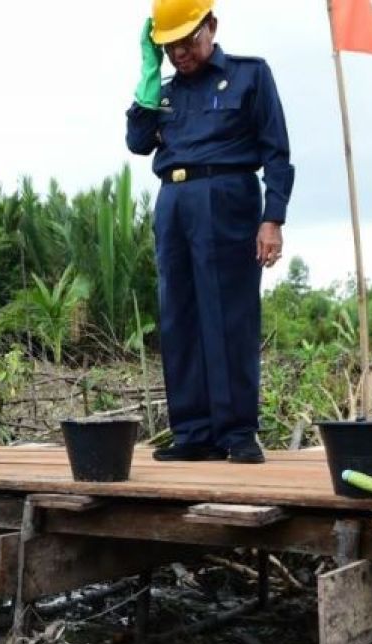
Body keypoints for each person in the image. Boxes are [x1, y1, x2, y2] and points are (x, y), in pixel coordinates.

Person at [126, 0, 293, 464]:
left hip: (227, 195)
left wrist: (272, 218)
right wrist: (145, 73)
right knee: (179, 316)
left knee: (228, 314)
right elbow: (138, 142)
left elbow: (277, 152)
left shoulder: (250, 75)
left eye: (187, 40)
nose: (180, 52)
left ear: (211, 26)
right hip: (174, 201)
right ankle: (194, 433)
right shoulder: (161, 92)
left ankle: (237, 432)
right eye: (169, 45)